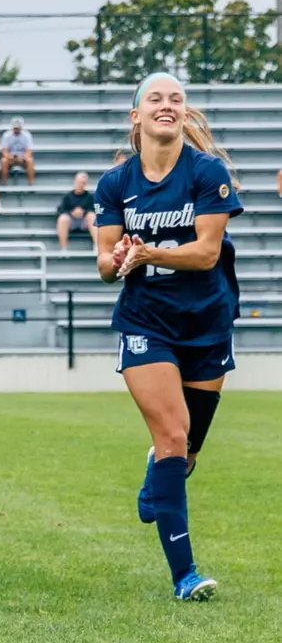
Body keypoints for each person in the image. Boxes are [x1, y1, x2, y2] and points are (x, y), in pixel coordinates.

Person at [94, 72, 240, 602]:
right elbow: (105, 266)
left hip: (206, 323)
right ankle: (185, 575)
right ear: (136, 116)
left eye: (176, 98)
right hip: (146, 323)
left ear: (184, 113)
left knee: (188, 451)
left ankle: (158, 475)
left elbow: (205, 253)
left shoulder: (207, 172)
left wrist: (150, 252)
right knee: (173, 436)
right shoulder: (114, 185)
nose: (167, 104)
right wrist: (117, 259)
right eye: (155, 98)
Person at [56, 171, 96, 249]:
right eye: (80, 182)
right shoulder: (68, 196)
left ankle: (97, 245)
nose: (81, 184)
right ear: (75, 182)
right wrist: (72, 213)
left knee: (92, 216)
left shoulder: (90, 197)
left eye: (83, 183)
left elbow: (94, 210)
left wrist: (83, 212)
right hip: (71, 221)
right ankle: (64, 249)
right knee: (62, 219)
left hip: (85, 222)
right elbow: (60, 210)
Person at [1, 117, 35, 183]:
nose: (17, 129)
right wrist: (9, 157)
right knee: (3, 161)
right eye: (15, 128)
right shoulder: (6, 135)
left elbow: (29, 150)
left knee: (30, 160)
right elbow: (4, 151)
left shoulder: (27, 135)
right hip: (10, 158)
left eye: (18, 127)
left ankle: (31, 183)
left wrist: (23, 157)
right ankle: (4, 183)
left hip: (23, 158)